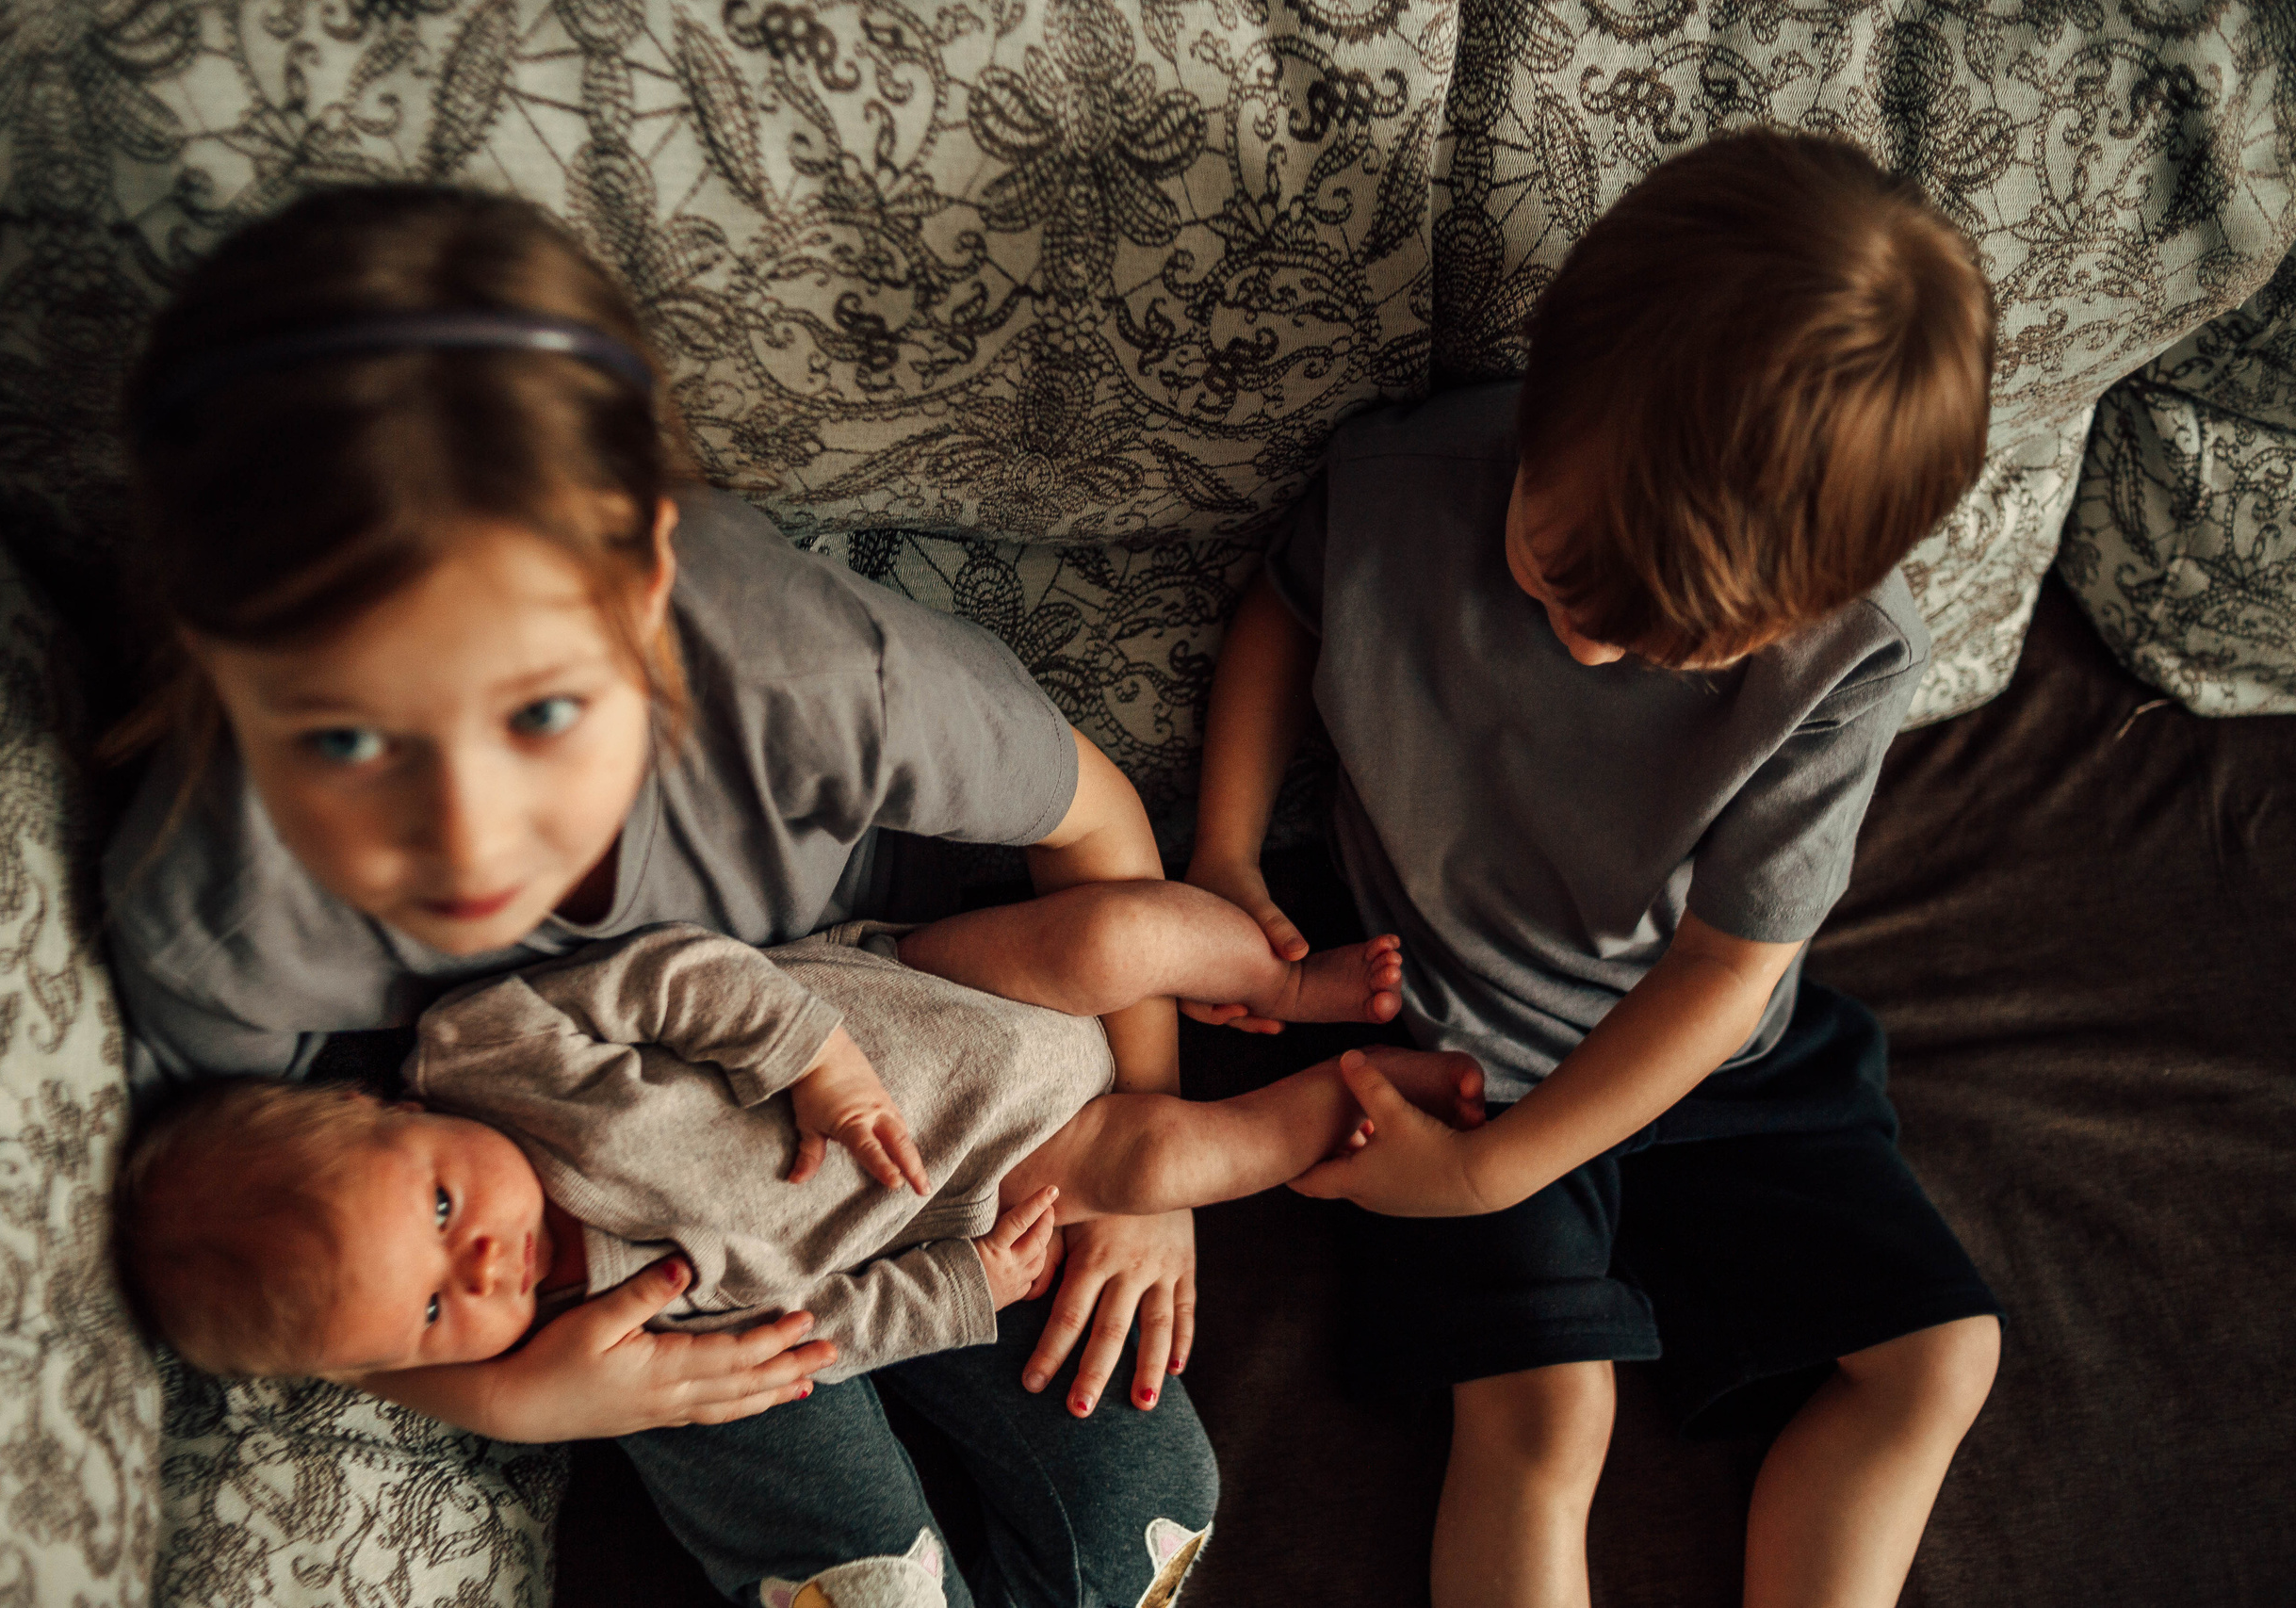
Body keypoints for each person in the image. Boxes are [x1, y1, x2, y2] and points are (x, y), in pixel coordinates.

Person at [103, 183, 1207, 1608]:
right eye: (347, 742)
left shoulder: (808, 681)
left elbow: (1098, 819)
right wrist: (502, 1398)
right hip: (633, 1244)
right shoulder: (217, 924)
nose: (466, 843)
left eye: (541, 714)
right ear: (223, 672)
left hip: (921, 1088)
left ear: (640, 591)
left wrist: (1149, 1165)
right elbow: (264, 1272)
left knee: (1145, 1519)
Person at [1185, 128, 2008, 1608]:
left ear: (1809, 600)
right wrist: (1226, 855)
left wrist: (1492, 1180)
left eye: (1672, 645)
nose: (1587, 647)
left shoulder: (1852, 657)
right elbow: (1283, 614)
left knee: (1945, 1358)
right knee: (1548, 1415)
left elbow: (1727, 972)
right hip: (1462, 1044)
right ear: (1546, 404)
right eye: (1560, 579)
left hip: (1714, 1054)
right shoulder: (1406, 479)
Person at [120, 883, 1452, 1393]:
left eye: (437, 1211)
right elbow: (811, 1342)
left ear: (384, 1112)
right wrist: (961, 1289)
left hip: (919, 996)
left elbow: (673, 979)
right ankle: (1333, 1109)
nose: (478, 1270)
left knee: (1114, 938)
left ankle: (1281, 984)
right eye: (427, 1312)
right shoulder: (602, 1340)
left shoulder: (486, 1055)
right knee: (1161, 1165)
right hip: (987, 1174)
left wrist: (811, 1063)